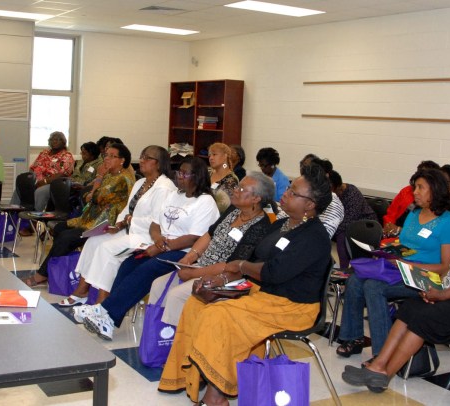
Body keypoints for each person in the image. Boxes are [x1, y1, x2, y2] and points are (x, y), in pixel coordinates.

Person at [157, 163, 333, 405]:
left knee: (219, 315)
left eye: (293, 192)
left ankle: (216, 394)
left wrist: (239, 267)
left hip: (292, 306)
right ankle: (188, 377)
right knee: (197, 304)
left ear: (310, 205)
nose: (285, 193)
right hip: (262, 293)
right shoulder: (284, 224)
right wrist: (225, 279)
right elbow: (260, 259)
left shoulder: (314, 237)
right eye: (289, 188)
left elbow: (272, 272)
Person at [342, 186, 450, 393]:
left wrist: (442, 295)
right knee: (410, 307)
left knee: (424, 316)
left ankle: (384, 374)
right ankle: (378, 364)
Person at [77, 156, 220, 339]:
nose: (179, 176)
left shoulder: (205, 202)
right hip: (161, 244)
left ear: (198, 176)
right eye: (178, 172)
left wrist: (162, 247)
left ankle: (106, 313)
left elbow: (195, 237)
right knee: (129, 263)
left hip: (185, 253)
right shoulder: (175, 194)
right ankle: (108, 315)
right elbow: (155, 223)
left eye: (185, 173)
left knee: (148, 269)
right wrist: (157, 238)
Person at [336, 168, 450, 360]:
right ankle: (354, 338)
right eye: (415, 187)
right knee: (355, 280)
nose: (415, 192)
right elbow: (404, 244)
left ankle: (383, 352)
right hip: (398, 270)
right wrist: (389, 254)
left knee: (373, 287)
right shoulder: (414, 214)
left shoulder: (448, 223)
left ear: (435, 190)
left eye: (421, 188)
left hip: (425, 278)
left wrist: (406, 264)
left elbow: (447, 267)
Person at [144, 171, 275, 327]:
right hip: (200, 266)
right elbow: (209, 234)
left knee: (176, 295)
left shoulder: (260, 227)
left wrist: (193, 273)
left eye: (241, 189)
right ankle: (156, 337)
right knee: (158, 284)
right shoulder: (233, 210)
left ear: (256, 198)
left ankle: (177, 342)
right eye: (238, 186)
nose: (235, 190)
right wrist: (190, 257)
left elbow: (232, 265)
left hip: (223, 277)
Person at [55, 145, 177, 305]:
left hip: (146, 236)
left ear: (159, 163)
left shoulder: (164, 188)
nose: (141, 160)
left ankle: (102, 302)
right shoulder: (140, 182)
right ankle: (82, 290)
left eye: (147, 158)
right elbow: (127, 208)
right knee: (93, 242)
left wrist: (130, 221)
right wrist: (118, 225)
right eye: (141, 156)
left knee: (107, 249)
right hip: (129, 230)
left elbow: (157, 221)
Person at [23, 144, 134, 287]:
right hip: (91, 218)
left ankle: (42, 275)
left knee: (66, 237)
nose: (107, 159)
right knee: (59, 228)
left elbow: (97, 197)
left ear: (122, 160)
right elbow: (90, 196)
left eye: (113, 156)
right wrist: (94, 190)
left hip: (105, 223)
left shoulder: (123, 178)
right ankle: (60, 270)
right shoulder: (110, 174)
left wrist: (98, 178)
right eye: (106, 155)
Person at [14, 131, 74, 236]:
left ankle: (32, 224)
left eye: (57, 139)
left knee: (40, 192)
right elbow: (33, 168)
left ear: (63, 142)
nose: (54, 141)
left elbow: (62, 173)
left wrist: (45, 181)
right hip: (37, 181)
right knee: (20, 188)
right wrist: (31, 181)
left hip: (54, 184)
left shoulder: (66, 155)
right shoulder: (44, 153)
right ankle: (12, 219)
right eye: (52, 139)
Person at [329, 170, 378, 268]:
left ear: (338, 187)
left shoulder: (352, 193)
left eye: (332, 190)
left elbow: (348, 222)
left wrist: (330, 229)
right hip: (346, 224)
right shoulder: (334, 194)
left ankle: (343, 269)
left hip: (365, 225)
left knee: (341, 236)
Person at [382, 160, 441, 236]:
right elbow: (391, 213)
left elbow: (424, 236)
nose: (415, 192)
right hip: (395, 235)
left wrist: (399, 230)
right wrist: (389, 227)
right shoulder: (406, 191)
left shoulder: (440, 211)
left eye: (421, 187)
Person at [208, 142, 239, 213]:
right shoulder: (208, 173)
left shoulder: (231, 180)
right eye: (209, 155)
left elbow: (224, 205)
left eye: (214, 154)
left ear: (225, 156)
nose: (211, 158)